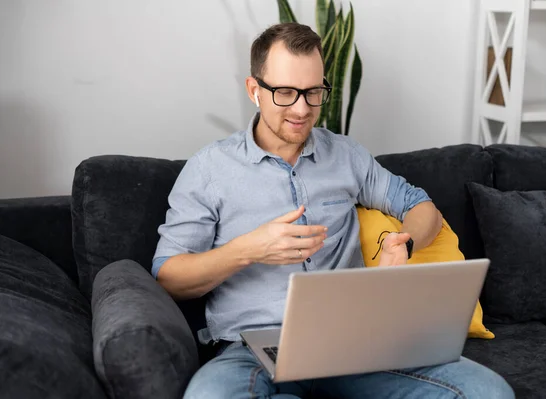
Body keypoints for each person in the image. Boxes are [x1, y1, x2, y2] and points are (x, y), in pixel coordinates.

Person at [152, 22, 514, 399]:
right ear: (254, 90)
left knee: (487, 391)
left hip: (353, 344)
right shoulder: (209, 169)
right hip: (252, 352)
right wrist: (250, 249)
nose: (301, 109)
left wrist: (402, 244)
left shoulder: (346, 156)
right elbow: (169, 277)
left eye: (313, 93)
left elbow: (421, 206)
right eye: (286, 92)